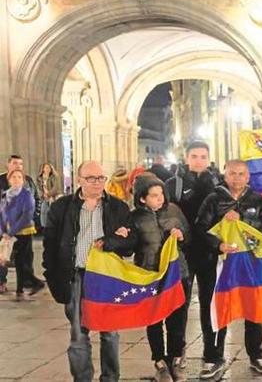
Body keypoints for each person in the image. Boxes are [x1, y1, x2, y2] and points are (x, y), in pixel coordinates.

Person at [42, 160, 135, 381]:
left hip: (106, 278)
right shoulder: (62, 207)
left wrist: (112, 242)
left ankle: (110, 377)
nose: (97, 183)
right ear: (79, 179)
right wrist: (51, 276)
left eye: (101, 178)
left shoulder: (118, 207)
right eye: (91, 178)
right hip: (75, 276)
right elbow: (50, 244)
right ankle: (82, 378)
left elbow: (131, 243)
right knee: (78, 335)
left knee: (110, 333)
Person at [195, 160, 262, 378]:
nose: (237, 178)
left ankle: (257, 354)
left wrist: (245, 219)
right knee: (217, 307)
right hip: (222, 264)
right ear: (225, 175)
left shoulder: (257, 200)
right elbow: (200, 228)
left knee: (253, 308)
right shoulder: (213, 199)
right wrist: (218, 244)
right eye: (232, 173)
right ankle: (212, 357)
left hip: (250, 262)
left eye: (241, 174)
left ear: (248, 177)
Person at [165, 141, 221, 380]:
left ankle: (212, 354)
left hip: (209, 252)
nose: (199, 160)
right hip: (182, 253)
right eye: (195, 156)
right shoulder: (173, 184)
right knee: (178, 305)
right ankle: (177, 351)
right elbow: (164, 213)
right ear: (187, 158)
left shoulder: (218, 185)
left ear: (209, 159)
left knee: (211, 305)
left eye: (203, 156)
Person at [131, 174, 192, 382]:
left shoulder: (174, 211)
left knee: (177, 320)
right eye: (154, 195)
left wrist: (181, 235)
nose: (160, 199)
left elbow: (188, 236)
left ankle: (176, 359)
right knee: (154, 320)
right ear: (142, 198)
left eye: (161, 194)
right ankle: (160, 362)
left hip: (176, 274)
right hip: (151, 275)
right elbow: (130, 246)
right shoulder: (135, 218)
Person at [0, 154, 44, 292]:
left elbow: (36, 200)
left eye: (20, 164)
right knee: (3, 255)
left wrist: (35, 216)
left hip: (24, 228)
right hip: (6, 226)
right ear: (8, 165)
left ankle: (26, 281)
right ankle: (1, 282)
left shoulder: (28, 181)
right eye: (14, 163)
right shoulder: (1, 181)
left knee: (25, 256)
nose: (18, 166)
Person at [37, 162, 60, 233]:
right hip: (44, 197)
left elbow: (56, 187)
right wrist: (44, 195)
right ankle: (45, 228)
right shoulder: (40, 178)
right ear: (43, 169)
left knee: (52, 212)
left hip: (53, 196)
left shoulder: (54, 176)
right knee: (43, 211)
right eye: (46, 167)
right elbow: (39, 188)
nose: (47, 169)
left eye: (49, 168)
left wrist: (49, 194)